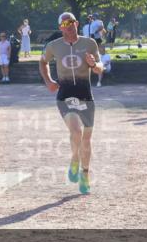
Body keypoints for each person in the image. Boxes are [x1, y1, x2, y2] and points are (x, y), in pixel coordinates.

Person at [40, 12, 103, 195]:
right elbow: (43, 62)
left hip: (86, 95)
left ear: (77, 23)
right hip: (65, 96)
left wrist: (93, 65)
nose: (69, 26)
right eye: (65, 24)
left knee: (86, 139)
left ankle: (85, 174)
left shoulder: (89, 43)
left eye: (72, 22)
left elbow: (100, 68)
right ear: (60, 27)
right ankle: (75, 158)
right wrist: (49, 81)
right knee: (76, 131)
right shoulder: (54, 46)